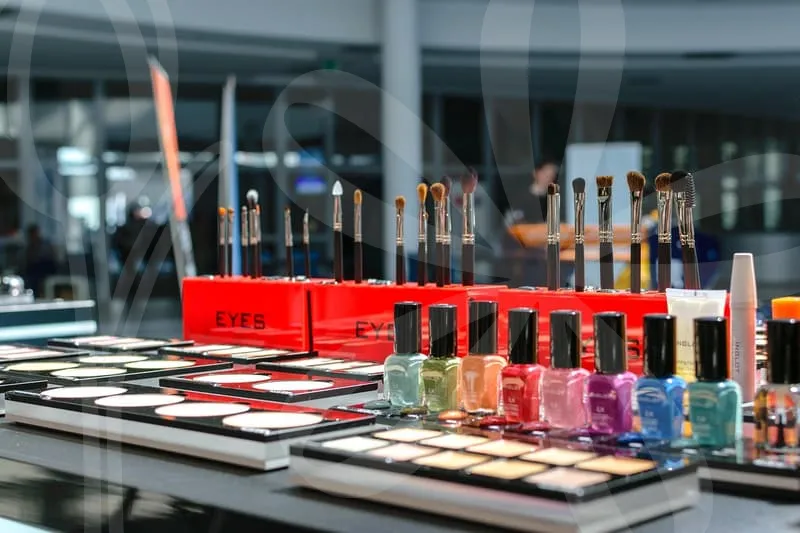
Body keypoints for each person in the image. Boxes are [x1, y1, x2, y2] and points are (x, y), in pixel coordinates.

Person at [503, 159, 560, 225]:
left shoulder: (554, 199)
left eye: (551, 176)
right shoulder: (520, 198)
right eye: (545, 174)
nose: (548, 178)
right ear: (535, 173)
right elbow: (510, 221)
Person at [21, 224, 56, 296]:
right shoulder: (29, 246)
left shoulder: (45, 244)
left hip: (45, 269)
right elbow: (27, 261)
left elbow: (50, 259)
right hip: (32, 271)